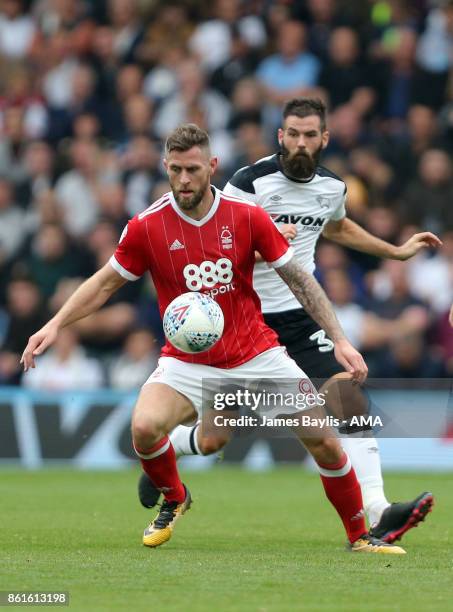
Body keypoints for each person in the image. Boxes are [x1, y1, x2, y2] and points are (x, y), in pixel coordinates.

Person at [21, 123, 403, 554]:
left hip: (256, 353)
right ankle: (176, 498)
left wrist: (340, 339)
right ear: (165, 166)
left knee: (326, 443)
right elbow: (105, 283)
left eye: (194, 170)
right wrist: (55, 324)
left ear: (212, 167)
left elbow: (299, 279)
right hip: (187, 361)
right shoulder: (147, 226)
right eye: (177, 169)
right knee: (144, 428)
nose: (184, 180)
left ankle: (360, 537)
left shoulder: (246, 216)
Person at [139, 101, 436, 544]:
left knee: (349, 399)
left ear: (324, 139)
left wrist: (393, 251)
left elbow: (336, 228)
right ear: (280, 136)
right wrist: (268, 244)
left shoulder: (333, 188)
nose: (300, 142)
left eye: (309, 135)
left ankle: (378, 509)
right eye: (292, 133)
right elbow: (220, 243)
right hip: (245, 318)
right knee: (218, 437)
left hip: (298, 318)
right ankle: (175, 450)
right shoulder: (249, 183)